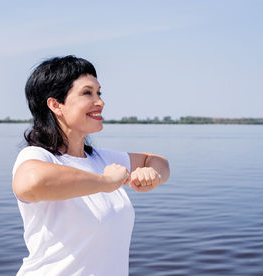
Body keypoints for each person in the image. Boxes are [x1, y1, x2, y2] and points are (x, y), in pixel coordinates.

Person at [12, 55, 170, 276]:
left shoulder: (100, 159)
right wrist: (105, 182)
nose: (100, 102)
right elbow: (30, 182)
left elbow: (157, 161)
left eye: (99, 93)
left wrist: (153, 174)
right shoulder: (38, 156)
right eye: (87, 93)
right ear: (56, 105)